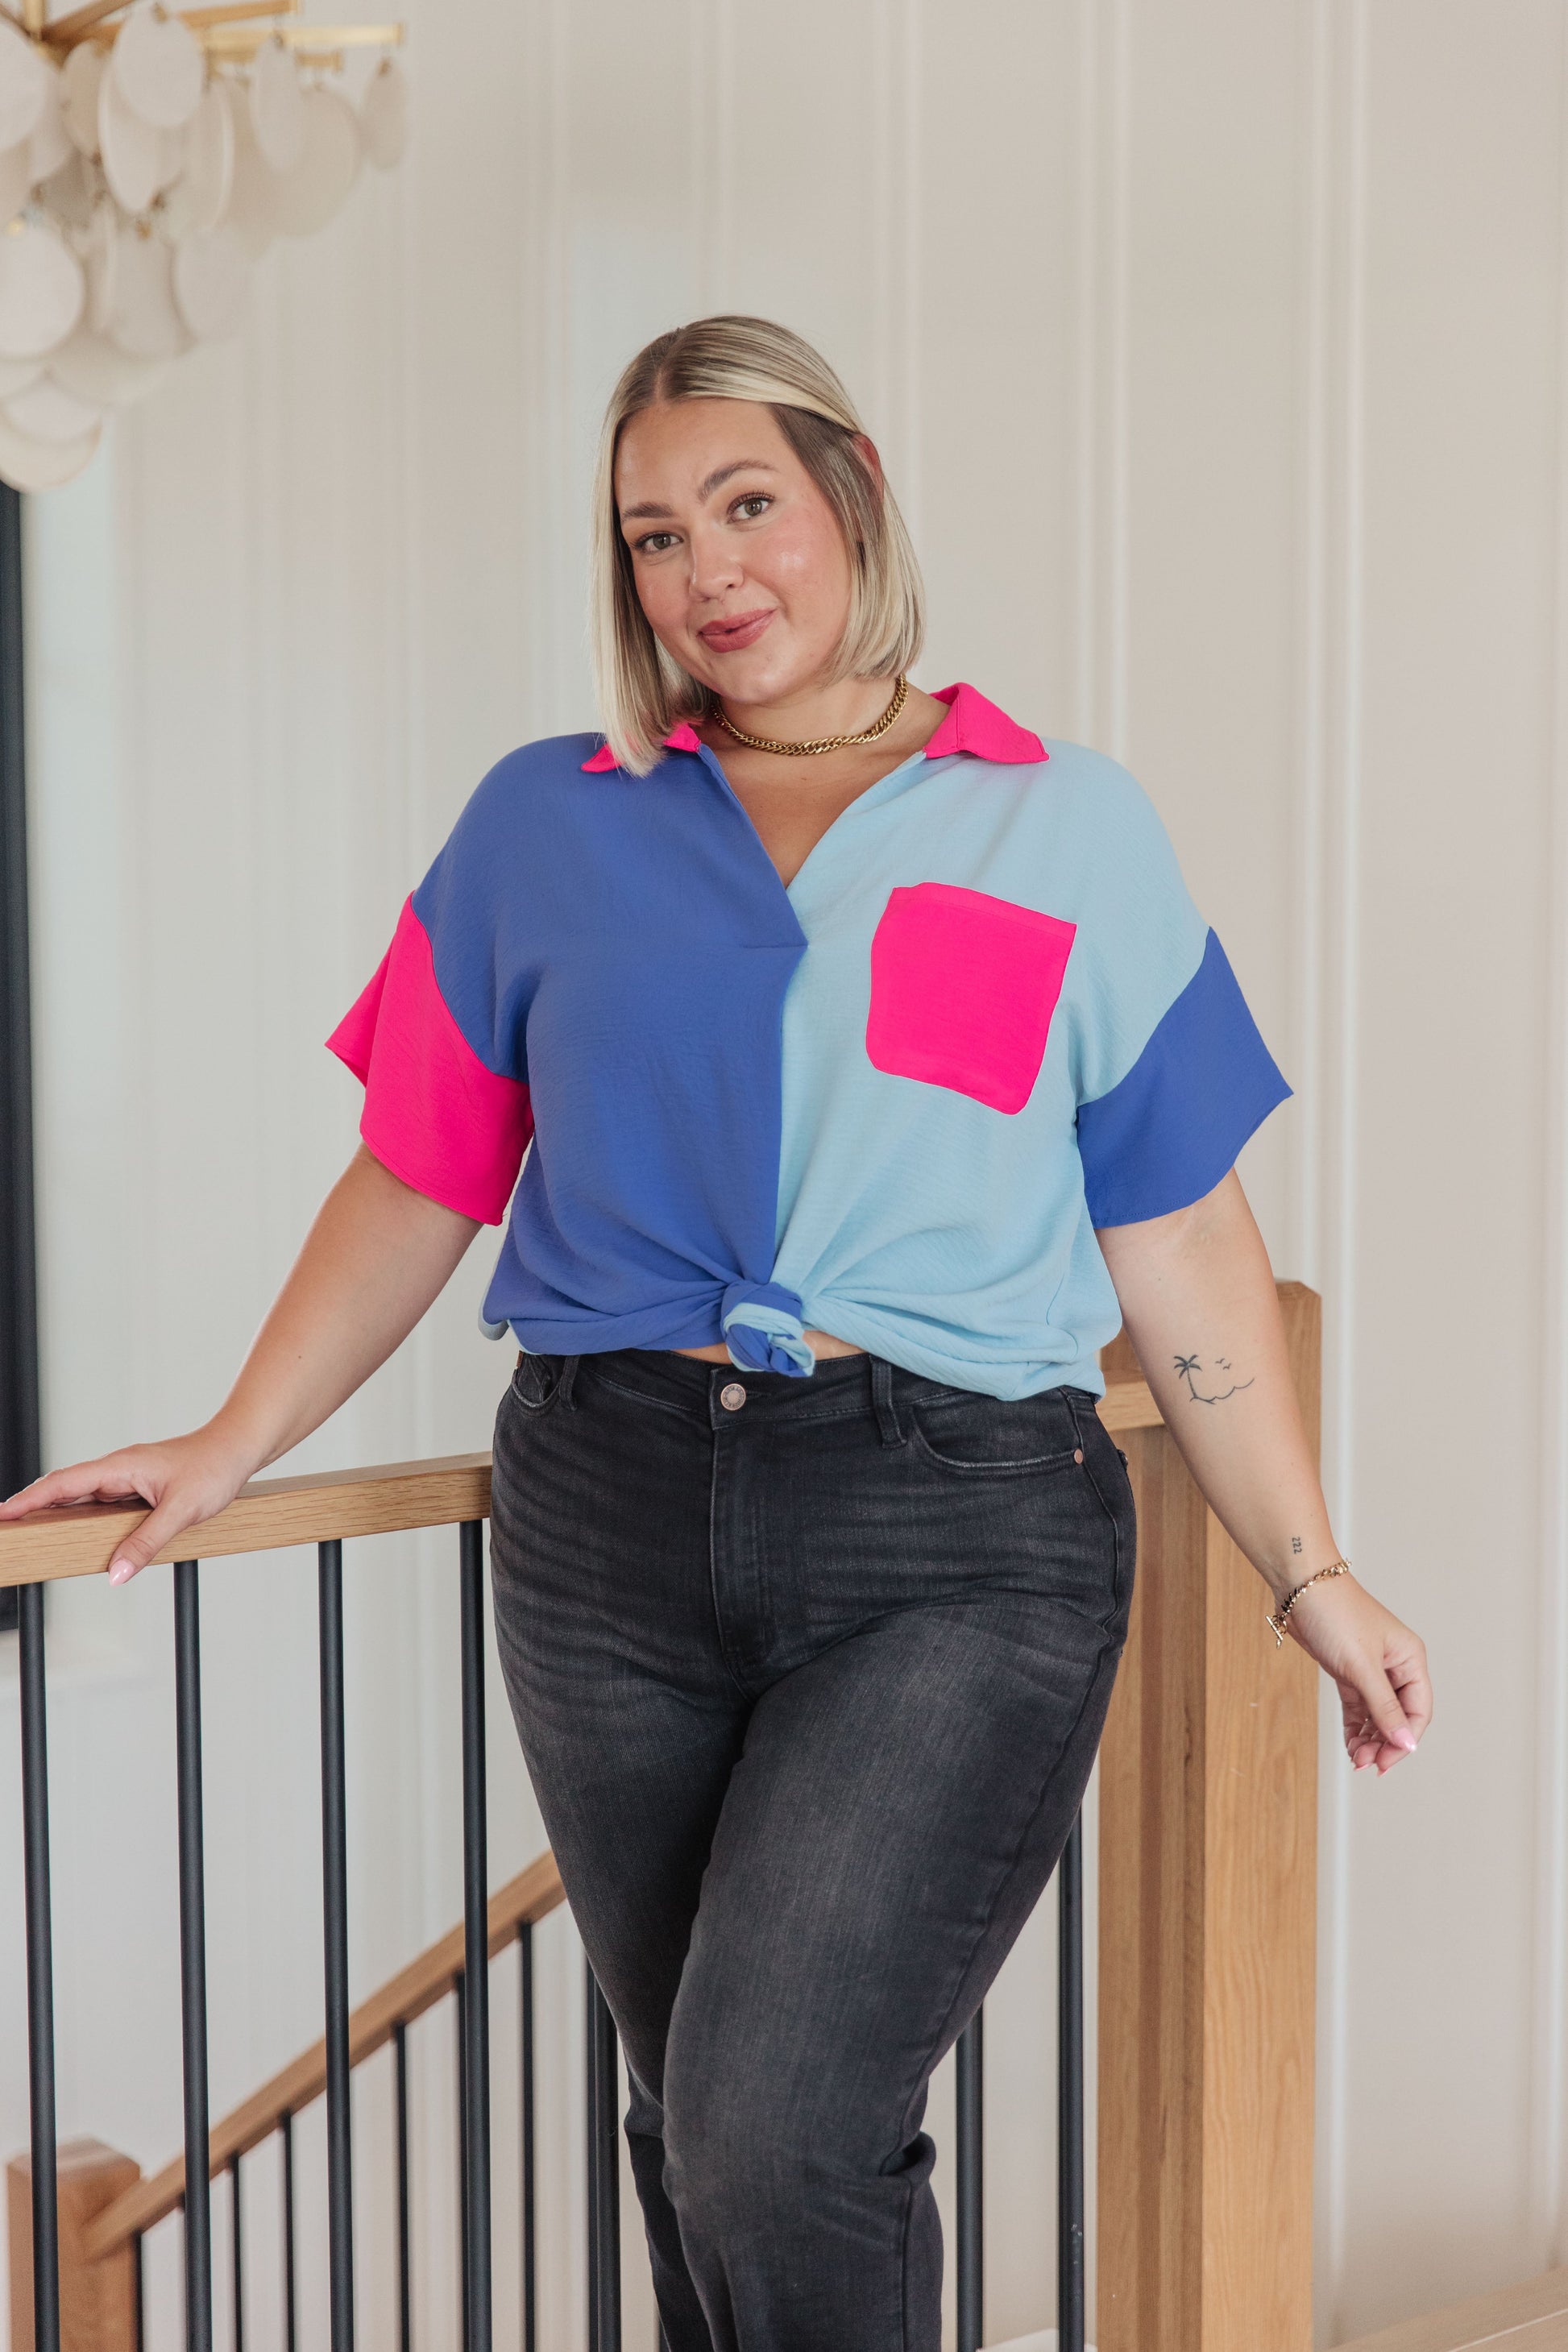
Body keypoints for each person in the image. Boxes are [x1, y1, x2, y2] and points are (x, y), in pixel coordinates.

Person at [2, 315, 1432, 2352]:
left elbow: (1181, 1225)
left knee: (771, 2133)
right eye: (654, 534)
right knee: (701, 2120)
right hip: (605, 1519)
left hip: (955, 1528)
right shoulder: (545, 820)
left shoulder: (1063, 824)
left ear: (851, 489)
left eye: (744, 504)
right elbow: (417, 1173)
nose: (705, 571)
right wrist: (232, 1439)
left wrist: (1307, 1562)